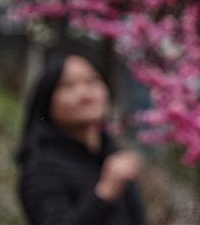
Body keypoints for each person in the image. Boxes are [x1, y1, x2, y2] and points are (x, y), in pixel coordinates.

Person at [16, 52, 146, 225]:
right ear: (47, 100)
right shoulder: (41, 168)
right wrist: (104, 194)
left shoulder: (111, 155)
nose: (85, 94)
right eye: (68, 86)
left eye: (92, 81)